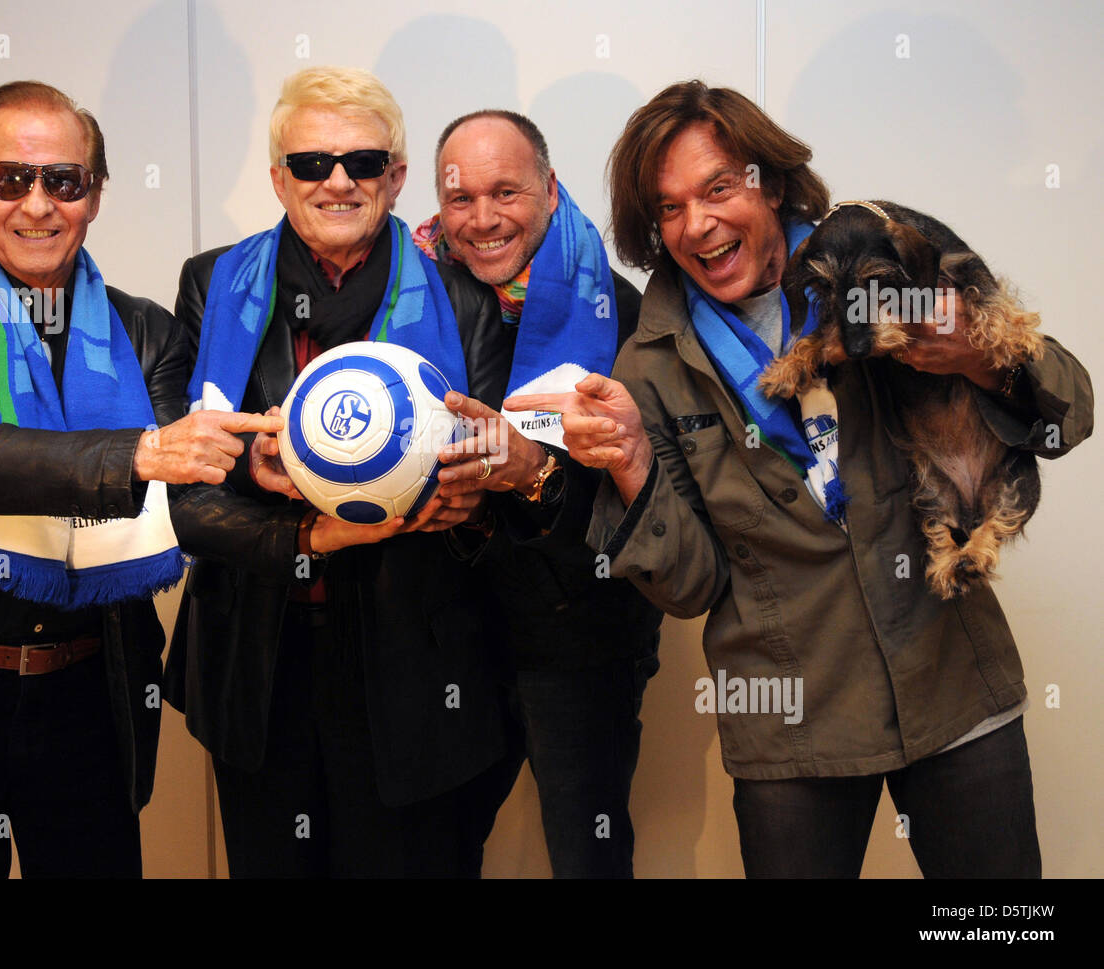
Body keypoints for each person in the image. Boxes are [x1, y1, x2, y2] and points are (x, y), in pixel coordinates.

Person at [509, 80, 1093, 877]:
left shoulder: (876, 262)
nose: (699, 224)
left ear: (771, 184)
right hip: (791, 724)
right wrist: (634, 465)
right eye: (669, 208)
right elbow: (690, 586)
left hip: (954, 688)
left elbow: (1071, 415)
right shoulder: (649, 364)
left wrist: (974, 352)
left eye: (719, 188)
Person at [0, 80, 277, 878]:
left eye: (63, 181)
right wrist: (141, 451)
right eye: (10, 179)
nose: (37, 204)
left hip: (91, 693)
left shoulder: (146, 332)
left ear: (95, 195)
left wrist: (312, 523)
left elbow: (189, 500)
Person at [163, 67, 511, 877]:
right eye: (314, 163)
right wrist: (259, 478)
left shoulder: (466, 298)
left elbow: (505, 490)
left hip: (418, 663)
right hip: (260, 653)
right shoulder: (214, 285)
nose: (339, 181)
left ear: (395, 175)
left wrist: (473, 498)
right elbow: (184, 477)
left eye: (363, 160)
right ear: (281, 178)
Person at [412, 110, 662, 877]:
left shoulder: (618, 308)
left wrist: (531, 472)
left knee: (587, 856)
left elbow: (644, 498)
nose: (482, 220)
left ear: (551, 191)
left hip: (579, 635)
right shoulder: (410, 294)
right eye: (460, 199)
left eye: (507, 192)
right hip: (446, 631)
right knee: (429, 851)